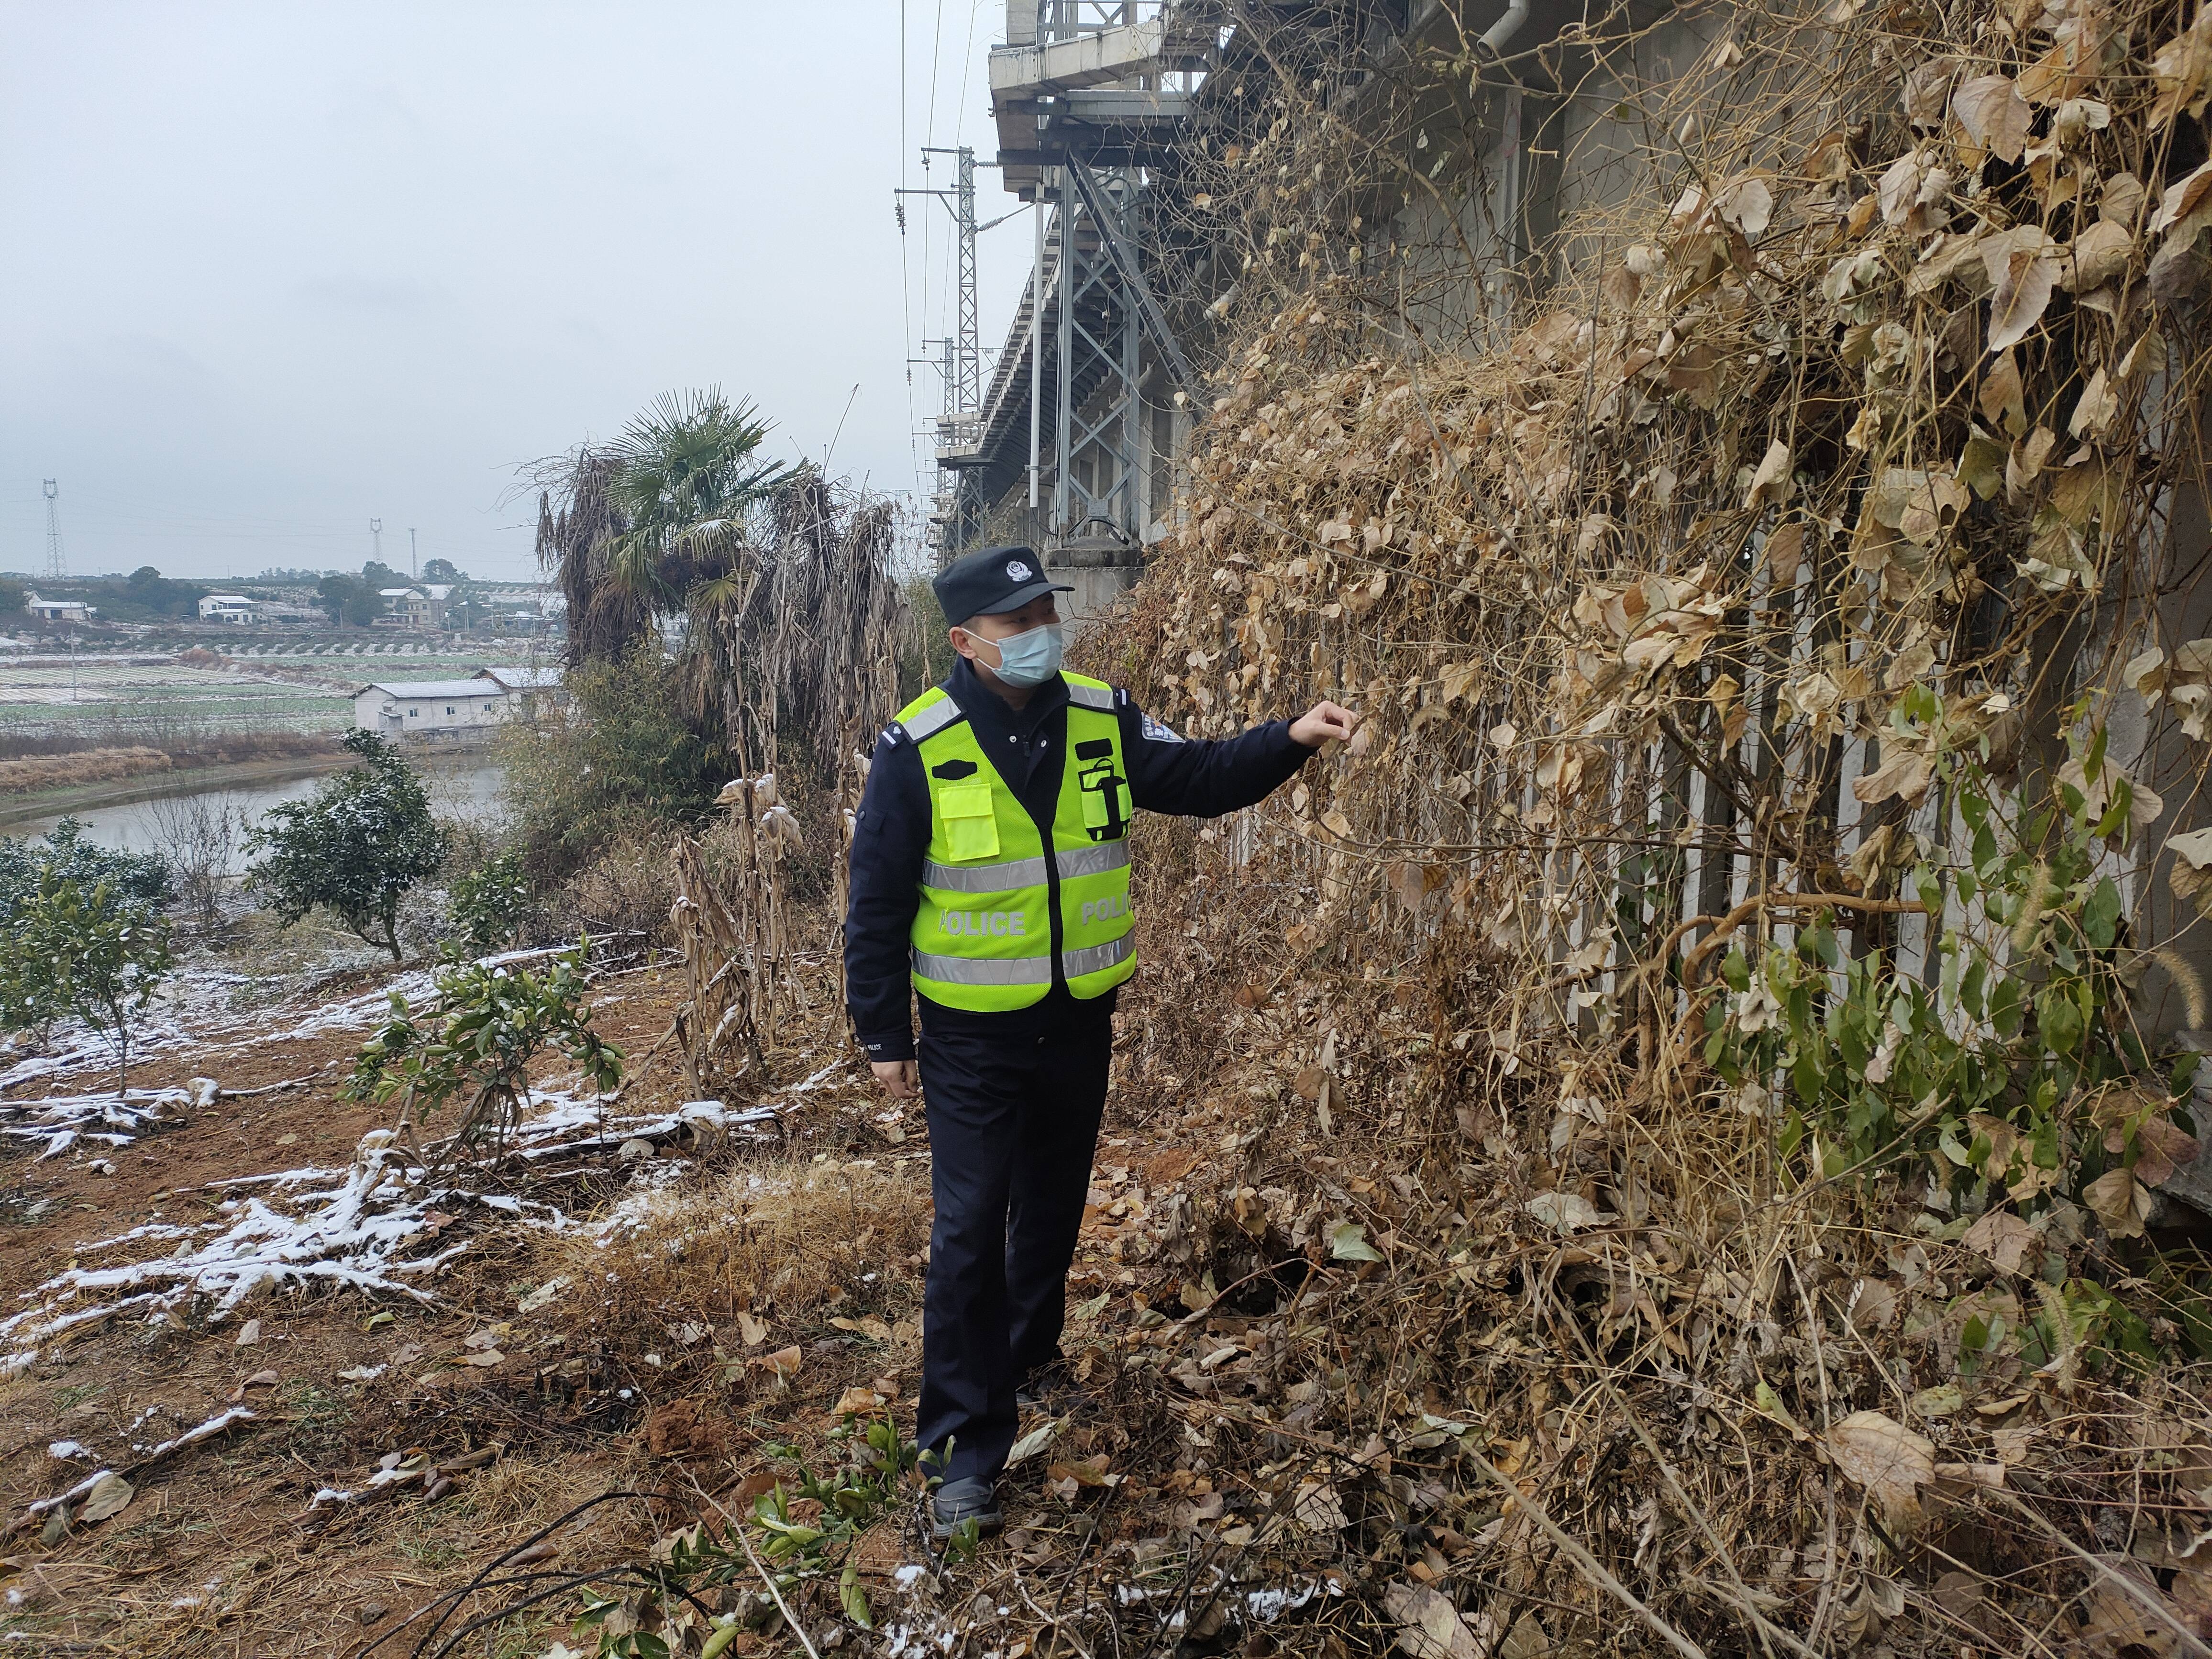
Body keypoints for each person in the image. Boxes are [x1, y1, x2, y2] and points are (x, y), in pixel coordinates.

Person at [843, 543, 1357, 1538]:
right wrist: (881, 1036)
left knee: (1048, 1211)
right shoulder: (919, 745)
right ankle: (959, 1451)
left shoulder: (1100, 715)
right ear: (964, 641)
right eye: (1016, 622)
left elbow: (1200, 778)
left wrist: (1288, 736)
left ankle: (1027, 1361)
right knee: (966, 1234)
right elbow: (876, 901)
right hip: (971, 1039)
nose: (1040, 633)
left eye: (1046, 612)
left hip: (1077, 1020)